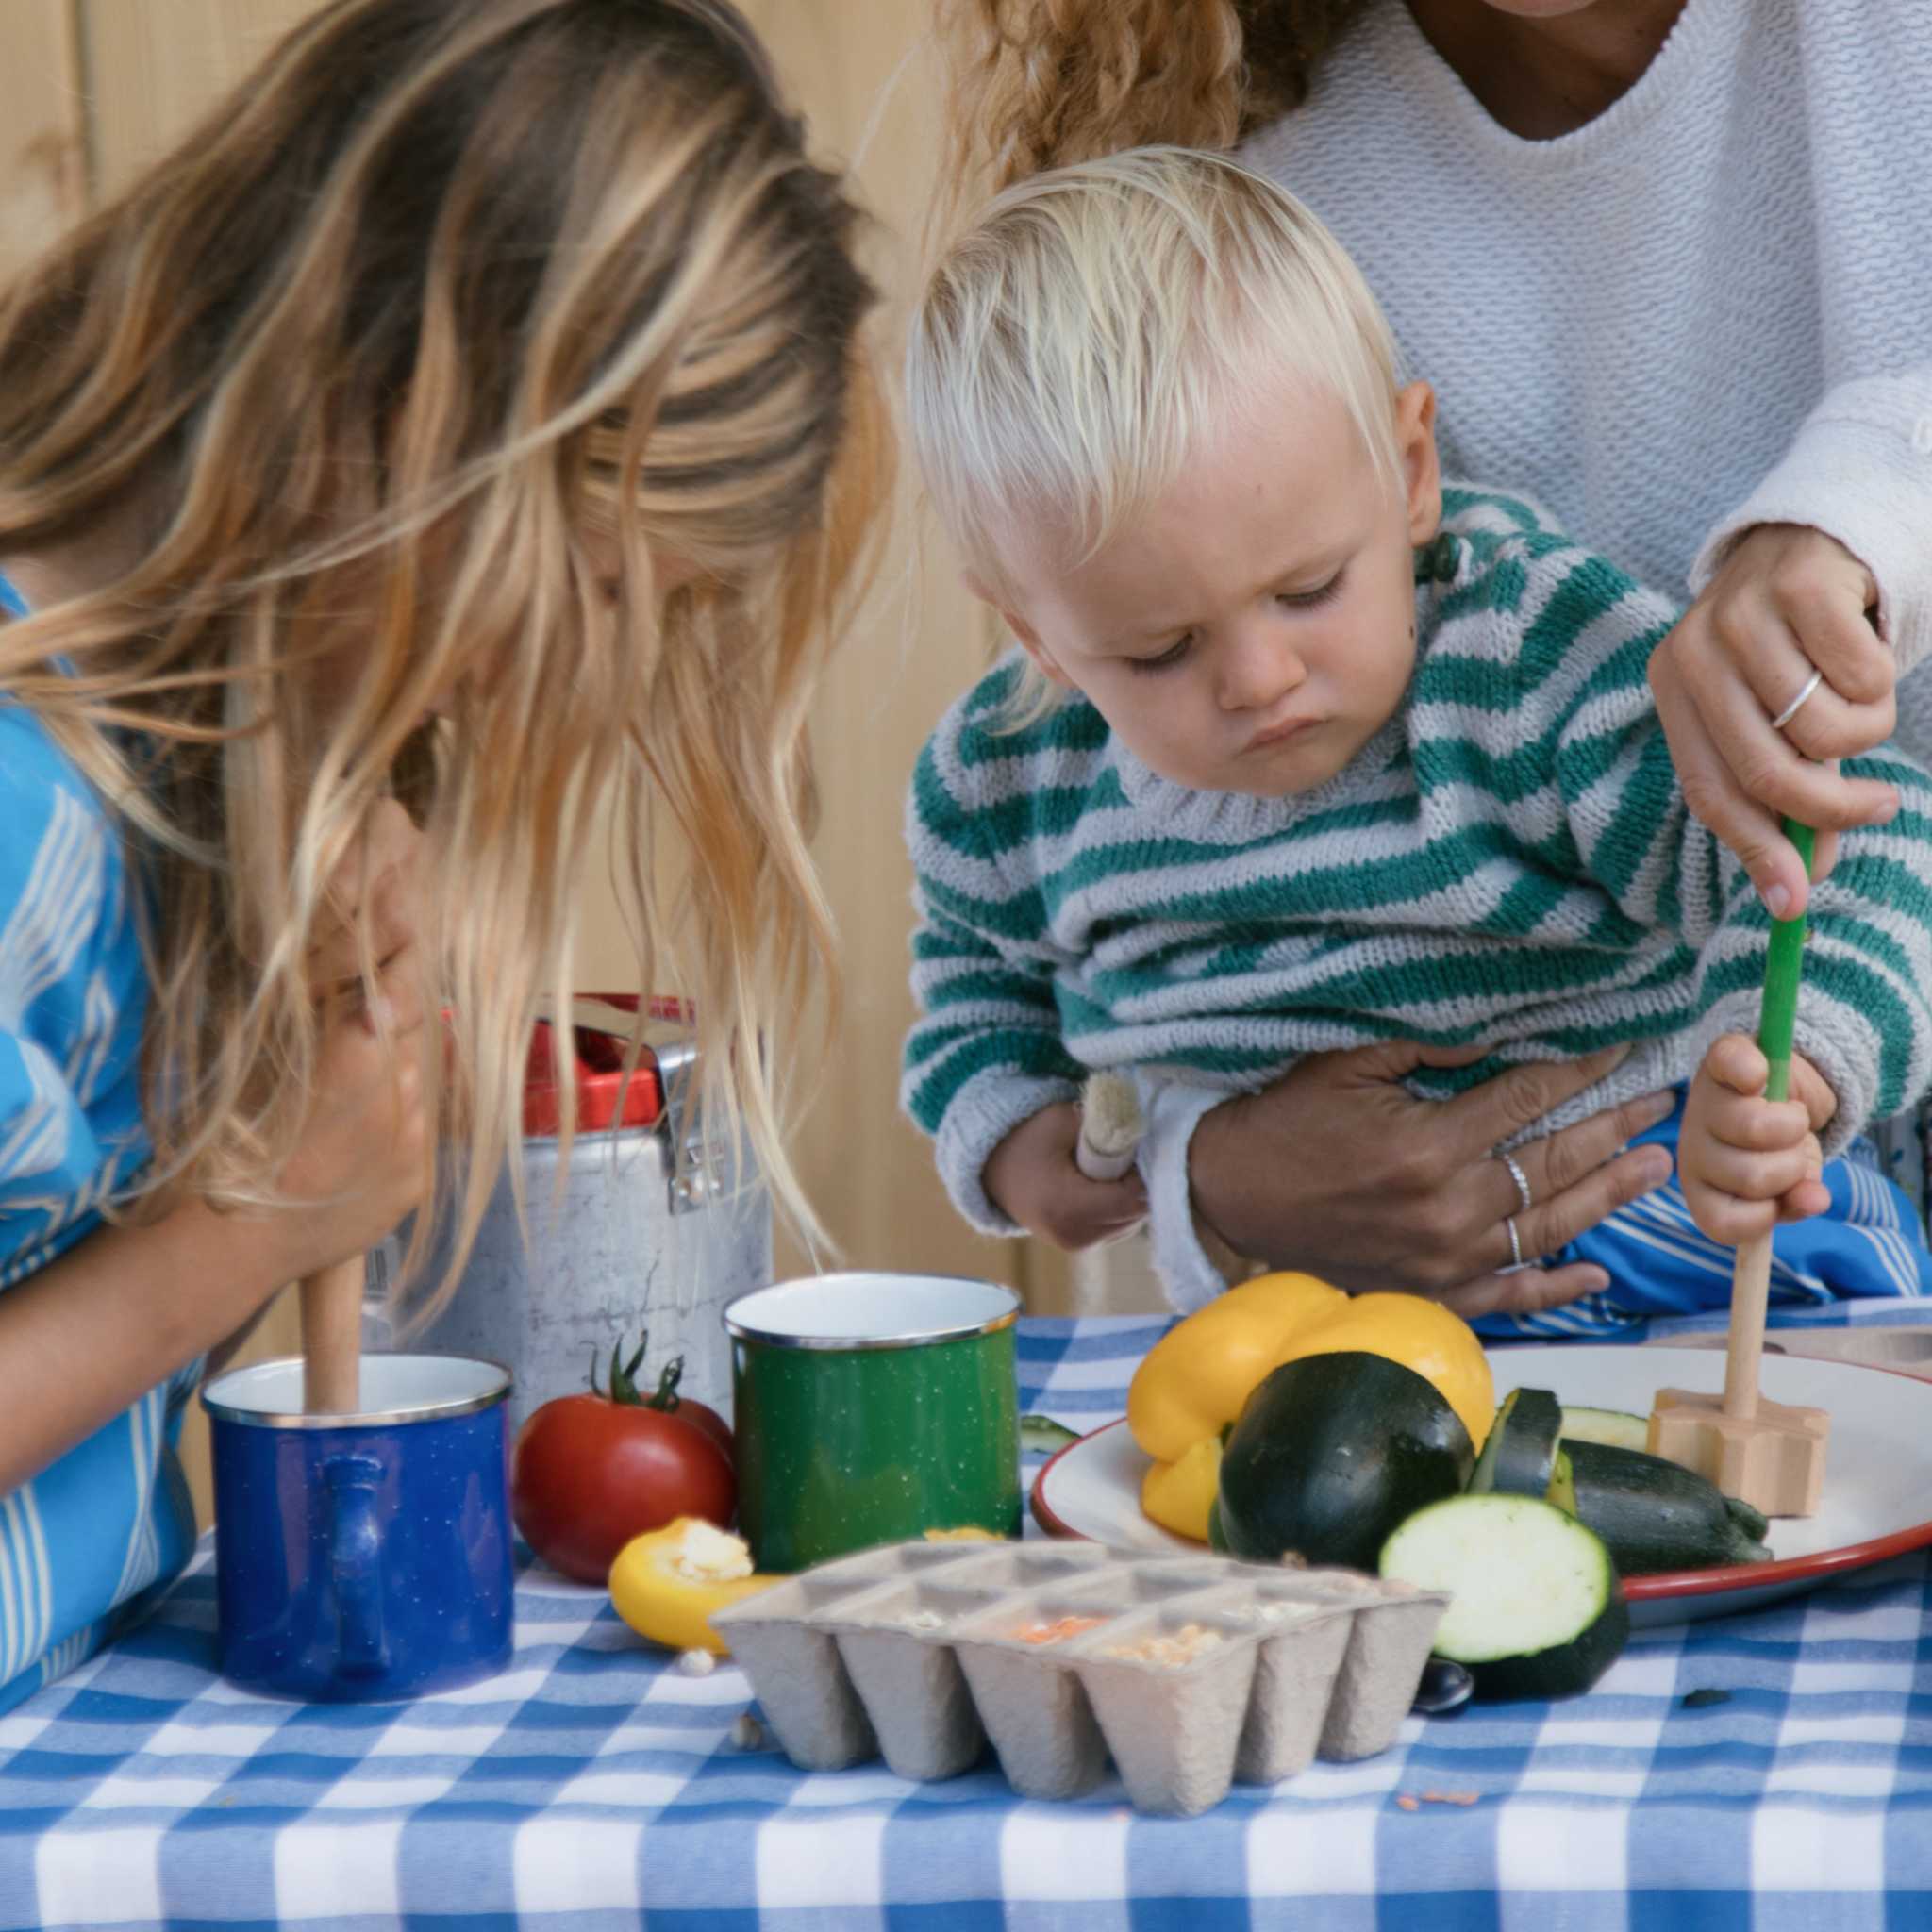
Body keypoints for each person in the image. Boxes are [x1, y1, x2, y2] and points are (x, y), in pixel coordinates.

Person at [0, 0, 887, 1714]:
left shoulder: (169, 760)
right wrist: (251, 1226)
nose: (532, 701)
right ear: (416, 440)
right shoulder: (21, 805)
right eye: (608, 600)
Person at [930, 0, 1932, 1313]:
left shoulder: (1514, 666)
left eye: (1308, 592)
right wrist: (1107, 1158)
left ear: (1415, 479)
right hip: (1346, 1337)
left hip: (1689, 1254)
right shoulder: (1010, 778)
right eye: (1161, 648)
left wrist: (1778, 1067)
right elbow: (977, 992)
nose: (1258, 681)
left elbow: (1842, 846)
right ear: (1040, 638)